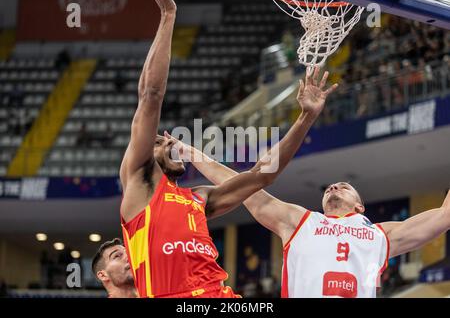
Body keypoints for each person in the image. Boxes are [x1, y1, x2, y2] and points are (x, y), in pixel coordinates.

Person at [119, 0, 337, 298]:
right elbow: (151, 95)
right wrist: (169, 14)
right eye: (159, 141)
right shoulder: (140, 185)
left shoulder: (199, 200)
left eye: (168, 138)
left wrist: (306, 117)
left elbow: (263, 175)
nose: (168, 140)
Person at [177, 126, 450, 298]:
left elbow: (444, 215)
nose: (334, 186)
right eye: (330, 187)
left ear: (360, 206)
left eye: (343, 186)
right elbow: (243, 188)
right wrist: (192, 154)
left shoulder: (381, 235)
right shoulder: (301, 222)